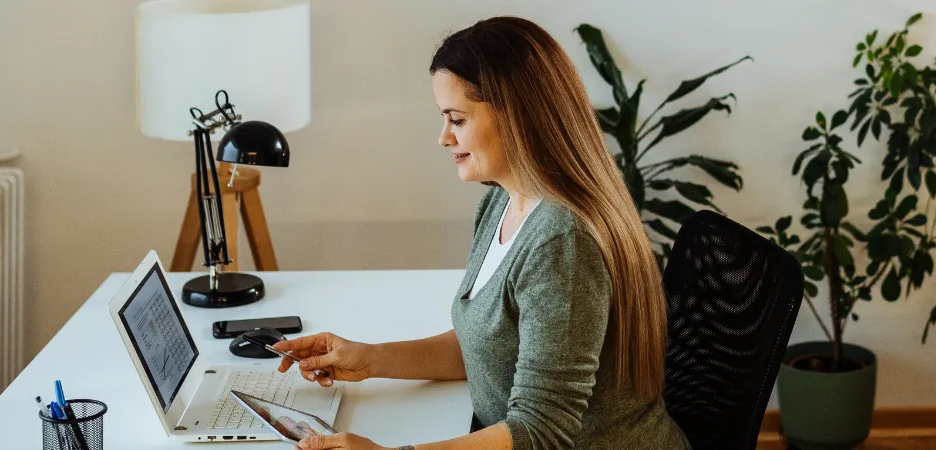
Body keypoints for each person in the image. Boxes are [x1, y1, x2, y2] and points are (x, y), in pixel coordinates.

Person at [270, 16, 689, 450]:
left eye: (457, 119)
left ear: (517, 115)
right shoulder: (502, 201)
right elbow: (489, 351)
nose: (444, 138)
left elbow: (541, 430)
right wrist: (368, 359)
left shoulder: (560, 240)